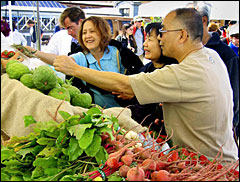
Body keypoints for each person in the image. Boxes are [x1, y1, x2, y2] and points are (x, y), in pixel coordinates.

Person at [53, 8, 238, 162]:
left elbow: (123, 84)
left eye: (163, 33)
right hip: (221, 158)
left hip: (208, 165)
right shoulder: (210, 56)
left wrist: (75, 70)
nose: (160, 39)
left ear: (182, 35)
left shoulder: (185, 72)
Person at [24, 16, 143, 108]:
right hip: (100, 116)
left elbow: (138, 77)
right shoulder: (82, 57)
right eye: (84, 33)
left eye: (92, 31)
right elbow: (60, 61)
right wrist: (34, 52)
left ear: (102, 33)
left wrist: (133, 94)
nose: (88, 36)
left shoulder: (119, 53)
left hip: (127, 113)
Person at [197, 5, 239, 143]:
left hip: (217, 133)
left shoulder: (226, 54)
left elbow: (234, 96)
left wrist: (231, 128)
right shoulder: (185, 52)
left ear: (203, 21)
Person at [128, 22, 178, 133]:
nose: (144, 44)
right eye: (145, 39)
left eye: (150, 40)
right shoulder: (146, 69)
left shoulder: (174, 72)